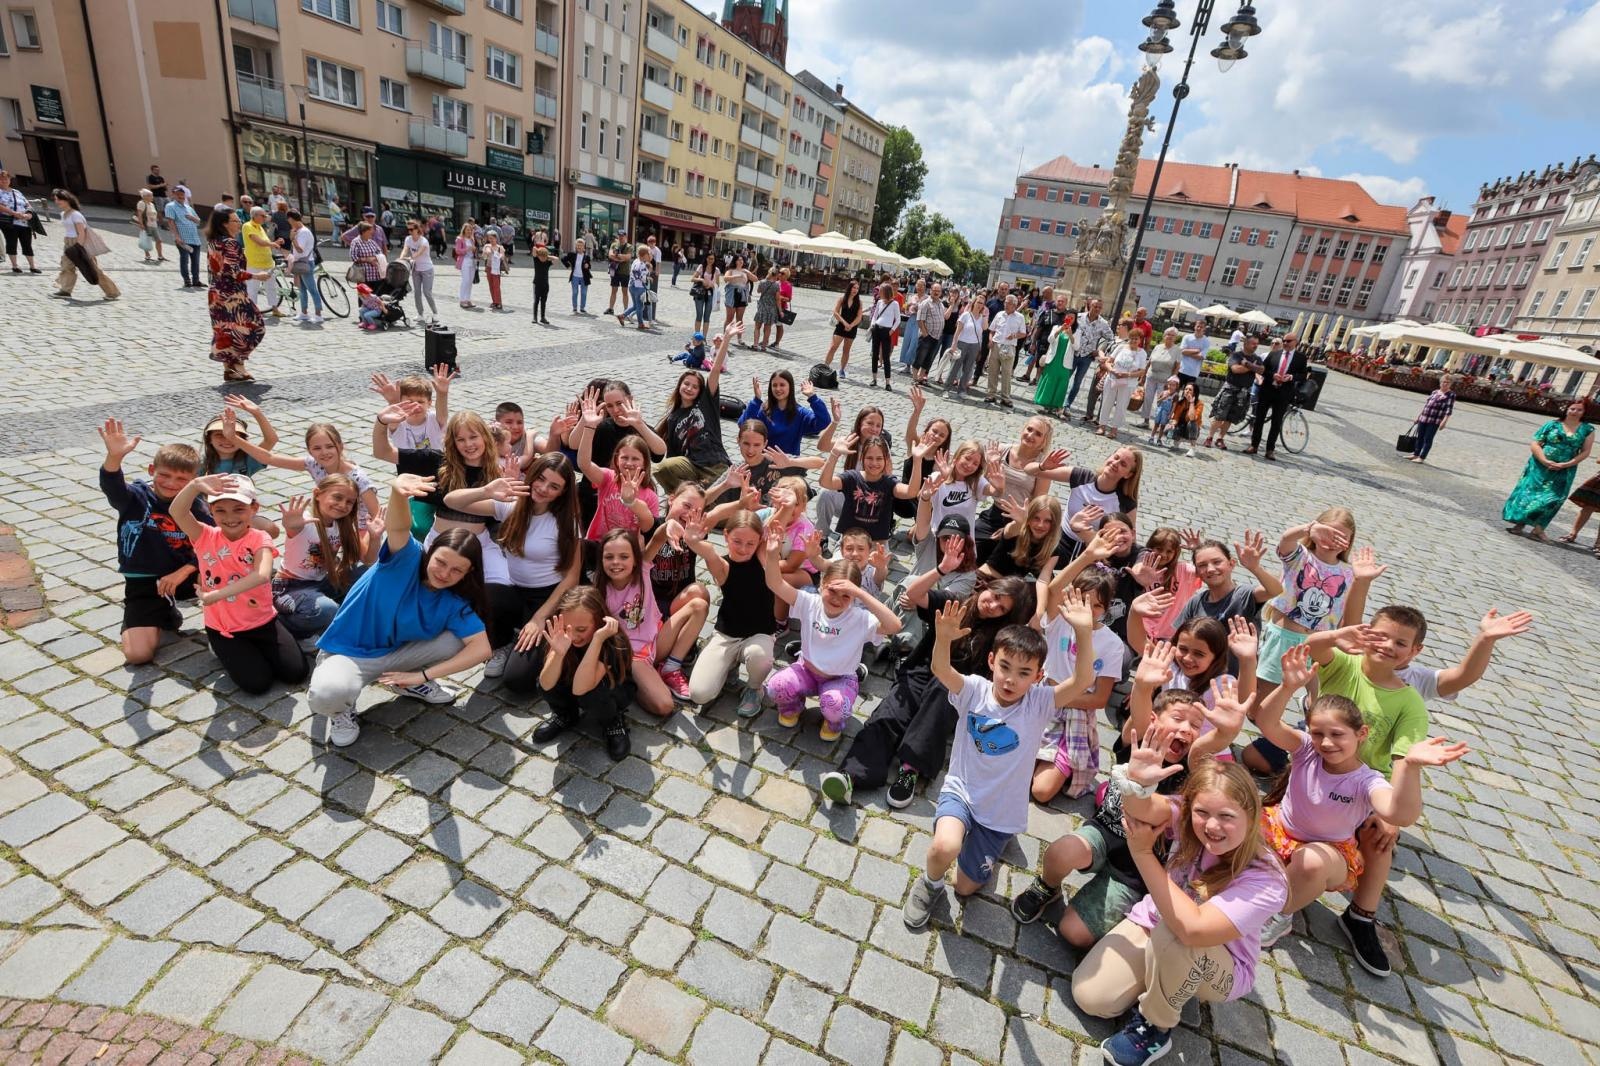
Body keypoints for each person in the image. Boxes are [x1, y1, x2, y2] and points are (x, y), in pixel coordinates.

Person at [1071, 731, 1288, 1066]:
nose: (1212, 826)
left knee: (1177, 935)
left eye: (1227, 816)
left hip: (1220, 963)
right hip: (1157, 923)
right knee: (1090, 996)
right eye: (1202, 812)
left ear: (1251, 816)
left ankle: (1155, 1027)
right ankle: (1165, 977)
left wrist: (1143, 854)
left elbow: (1193, 929)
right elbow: (1145, 810)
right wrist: (1138, 783)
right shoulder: (1188, 818)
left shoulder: (1268, 879)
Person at [1237, 653, 1468, 949]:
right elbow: (1267, 722)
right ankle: (1255, 880)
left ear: (1362, 734)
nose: (1326, 742)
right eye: (1318, 733)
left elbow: (1400, 814)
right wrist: (1287, 687)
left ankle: (1280, 914)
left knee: (1309, 863)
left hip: (1327, 854)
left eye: (1337, 734)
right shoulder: (1307, 749)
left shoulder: (1367, 780)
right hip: (1278, 830)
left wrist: (1411, 768)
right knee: (1231, 817)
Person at [901, 598, 1097, 929]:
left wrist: (1084, 632)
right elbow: (941, 670)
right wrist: (943, 638)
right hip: (961, 792)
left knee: (965, 887)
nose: (1010, 679)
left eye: (1024, 673)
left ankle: (997, 843)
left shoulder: (1039, 702)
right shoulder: (974, 690)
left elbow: (1082, 681)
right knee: (944, 846)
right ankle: (930, 885)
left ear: (1038, 676)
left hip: (1001, 812)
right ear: (992, 661)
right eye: (1005, 667)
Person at [167, 473, 308, 694]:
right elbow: (177, 512)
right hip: (225, 628)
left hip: (263, 621)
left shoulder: (259, 538)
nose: (230, 517)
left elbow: (262, 574)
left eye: (238, 509)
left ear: (254, 508)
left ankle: (250, 651)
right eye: (220, 510)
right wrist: (194, 485)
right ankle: (223, 648)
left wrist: (216, 595)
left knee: (297, 673)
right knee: (258, 684)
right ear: (210, 511)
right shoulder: (204, 535)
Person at [762, 539, 902, 741]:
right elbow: (774, 583)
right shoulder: (809, 602)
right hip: (806, 671)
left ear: (854, 598)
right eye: (832, 591)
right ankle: (793, 706)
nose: (837, 599)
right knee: (776, 687)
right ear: (822, 585)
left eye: (846, 596)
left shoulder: (860, 618)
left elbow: (895, 626)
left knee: (835, 706)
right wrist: (771, 554)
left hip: (840, 679)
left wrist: (861, 594)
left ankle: (833, 722)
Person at [98, 418, 210, 665]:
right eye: (164, 475)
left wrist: (184, 571)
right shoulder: (135, 498)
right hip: (146, 581)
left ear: (194, 479)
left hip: (184, 576)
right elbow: (112, 486)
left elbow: (214, 544)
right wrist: (114, 457)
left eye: (181, 479)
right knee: (138, 655)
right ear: (151, 470)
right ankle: (164, 614)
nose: (171, 484)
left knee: (223, 568)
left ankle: (225, 623)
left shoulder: (196, 506)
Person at [684, 511, 778, 715]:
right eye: (737, 541)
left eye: (750, 543)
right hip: (727, 634)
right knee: (699, 694)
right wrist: (692, 540)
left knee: (760, 657)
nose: (743, 549)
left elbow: (775, 522)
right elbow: (708, 552)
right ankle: (730, 664)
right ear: (726, 536)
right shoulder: (723, 566)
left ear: (760, 541)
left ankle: (754, 689)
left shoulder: (762, 556)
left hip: (760, 633)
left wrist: (787, 504)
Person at [530, 587, 636, 759]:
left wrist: (597, 640)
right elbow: (546, 684)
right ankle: (566, 714)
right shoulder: (561, 636)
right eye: (567, 628)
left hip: (609, 691)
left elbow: (581, 688)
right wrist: (558, 653)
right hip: (577, 684)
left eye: (581, 629)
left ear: (598, 622)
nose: (573, 636)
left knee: (591, 695)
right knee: (544, 680)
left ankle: (613, 722)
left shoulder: (612, 642)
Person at [274, 477, 381, 639]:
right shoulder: (304, 521)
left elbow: (369, 560)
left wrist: (374, 537)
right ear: (317, 494)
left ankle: (343, 617)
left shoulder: (342, 524)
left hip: (322, 582)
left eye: (349, 502)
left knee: (369, 572)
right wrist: (291, 525)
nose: (343, 505)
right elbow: (293, 528)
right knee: (327, 610)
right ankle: (285, 627)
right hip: (290, 588)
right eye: (337, 497)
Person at [654, 332, 731, 493]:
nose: (689, 388)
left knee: (713, 502)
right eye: (686, 384)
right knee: (661, 468)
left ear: (700, 391)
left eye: (695, 387)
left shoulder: (706, 404)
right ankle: (682, 496)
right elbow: (673, 457)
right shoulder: (673, 418)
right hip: (691, 467)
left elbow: (715, 370)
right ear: (679, 386)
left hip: (714, 464)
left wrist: (727, 339)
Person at [202, 207, 265, 382]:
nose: (239, 223)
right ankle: (238, 366)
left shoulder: (213, 241)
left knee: (226, 331)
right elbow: (233, 272)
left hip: (215, 293)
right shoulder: (230, 243)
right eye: (235, 221)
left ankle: (230, 370)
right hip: (232, 294)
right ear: (224, 224)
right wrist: (256, 276)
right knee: (255, 326)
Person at [50, 189, 120, 302]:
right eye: (55, 200)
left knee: (93, 269)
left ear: (67, 200)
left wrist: (78, 247)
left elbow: (82, 232)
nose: (57, 202)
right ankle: (65, 291)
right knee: (67, 266)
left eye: (59, 199)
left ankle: (112, 292)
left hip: (79, 243)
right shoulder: (63, 214)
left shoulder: (76, 215)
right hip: (68, 242)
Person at [1246, 333, 1308, 460]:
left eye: (1288, 341)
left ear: (1296, 342)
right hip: (1267, 390)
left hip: (1284, 393)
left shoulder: (1301, 358)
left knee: (1276, 422)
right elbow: (1263, 369)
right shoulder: (1274, 354)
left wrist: (1291, 377)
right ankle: (1254, 445)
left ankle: (1270, 450)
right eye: (1284, 340)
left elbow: (1303, 375)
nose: (1285, 343)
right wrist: (1272, 375)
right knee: (1259, 419)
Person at [739, 370, 831, 455]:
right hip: (764, 462)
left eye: (782, 385)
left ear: (790, 387)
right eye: (774, 385)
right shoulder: (764, 410)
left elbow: (824, 422)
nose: (778, 388)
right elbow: (743, 425)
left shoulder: (800, 413)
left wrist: (812, 397)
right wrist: (756, 400)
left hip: (789, 464)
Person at [1205, 335, 1261, 448]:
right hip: (1230, 389)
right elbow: (1235, 369)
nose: (1256, 346)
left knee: (1230, 418)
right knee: (1220, 415)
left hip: (1243, 392)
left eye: (1257, 344)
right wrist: (1252, 367)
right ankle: (1209, 437)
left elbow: (1261, 370)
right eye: (1253, 343)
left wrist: (1247, 364)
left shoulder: (1257, 358)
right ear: (1246, 344)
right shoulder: (1236, 355)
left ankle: (1220, 439)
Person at [1097, 328, 1149, 440]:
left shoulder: (1142, 353)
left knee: (1121, 406)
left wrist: (1128, 374)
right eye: (1132, 338)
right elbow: (1108, 361)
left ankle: (1114, 429)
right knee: (1106, 402)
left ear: (1140, 340)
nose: (1133, 341)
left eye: (1136, 339)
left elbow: (1142, 371)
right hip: (1112, 379)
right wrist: (1112, 370)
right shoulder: (1121, 347)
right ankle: (1102, 426)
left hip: (1128, 383)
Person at [1067, 298, 1113, 413]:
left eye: (1099, 307)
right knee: (1065, 379)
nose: (1097, 309)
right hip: (1072, 353)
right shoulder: (1079, 317)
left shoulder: (1103, 323)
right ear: (1089, 306)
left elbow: (1111, 339)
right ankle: (1058, 402)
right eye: (1095, 306)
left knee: (1077, 383)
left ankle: (1067, 405)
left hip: (1087, 357)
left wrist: (1099, 350)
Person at [984, 295, 1029, 408]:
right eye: (1005, 302)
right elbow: (992, 330)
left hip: (1009, 347)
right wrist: (990, 340)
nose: (1005, 305)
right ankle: (991, 394)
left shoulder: (1020, 317)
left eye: (1008, 303)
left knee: (1006, 373)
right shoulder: (999, 314)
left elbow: (1023, 333)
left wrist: (1014, 335)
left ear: (1014, 305)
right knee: (992, 371)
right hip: (996, 345)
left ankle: (1005, 397)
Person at [241, 206, 283, 316]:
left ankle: (274, 309)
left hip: (267, 262)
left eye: (265, 216)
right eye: (262, 216)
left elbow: (266, 244)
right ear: (255, 216)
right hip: (254, 263)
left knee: (271, 287)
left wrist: (276, 242)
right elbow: (258, 242)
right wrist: (272, 244)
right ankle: (251, 312)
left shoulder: (260, 227)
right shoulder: (247, 226)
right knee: (253, 288)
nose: (265, 218)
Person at [1408, 374, 1457, 463]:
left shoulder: (1451, 395)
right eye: (1443, 382)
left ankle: (1422, 457)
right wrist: (1418, 417)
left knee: (1428, 439)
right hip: (1424, 418)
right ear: (1440, 382)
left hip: (1434, 421)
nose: (1445, 384)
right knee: (1420, 437)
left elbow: (1449, 410)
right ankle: (1416, 454)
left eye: (1447, 382)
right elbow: (1426, 406)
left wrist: (1444, 422)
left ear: (1450, 384)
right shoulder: (1435, 392)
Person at [0, 170, 40, 273]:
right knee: (11, 243)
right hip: (9, 222)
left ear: (10, 180)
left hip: (24, 222)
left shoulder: (16, 192)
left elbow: (27, 204)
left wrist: (29, 214)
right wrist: (14, 213)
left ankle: (32, 266)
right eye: (1, 179)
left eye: (6, 179)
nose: (4, 181)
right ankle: (15, 266)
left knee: (27, 244)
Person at [164, 186, 204, 288]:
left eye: (182, 194)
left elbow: (199, 221)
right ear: (173, 195)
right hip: (183, 239)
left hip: (195, 238)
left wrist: (192, 217)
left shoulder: (188, 207)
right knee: (184, 260)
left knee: (196, 261)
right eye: (178, 194)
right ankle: (187, 280)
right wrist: (176, 236)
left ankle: (196, 280)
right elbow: (171, 222)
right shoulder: (170, 206)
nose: (181, 196)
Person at [400, 219, 437, 326]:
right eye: (408, 229)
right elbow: (405, 249)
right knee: (417, 292)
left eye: (411, 229)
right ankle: (420, 314)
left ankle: (435, 313)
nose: (409, 231)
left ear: (417, 229)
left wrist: (410, 258)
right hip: (416, 269)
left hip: (427, 269)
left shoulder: (423, 241)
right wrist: (401, 258)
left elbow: (419, 253)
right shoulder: (408, 239)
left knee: (427, 292)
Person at [866, 282, 902, 390]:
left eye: (881, 291)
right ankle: (874, 378)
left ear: (885, 292)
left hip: (886, 331)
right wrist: (873, 325)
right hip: (877, 328)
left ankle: (887, 382)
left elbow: (898, 319)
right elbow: (875, 315)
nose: (879, 293)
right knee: (875, 354)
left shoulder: (894, 304)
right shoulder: (879, 302)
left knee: (886, 357)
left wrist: (891, 331)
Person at [824, 280, 865, 378]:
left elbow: (859, 317)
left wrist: (851, 325)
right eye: (854, 288)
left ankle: (842, 370)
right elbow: (836, 312)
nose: (855, 290)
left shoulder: (859, 302)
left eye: (857, 288)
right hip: (841, 326)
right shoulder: (842, 299)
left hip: (852, 328)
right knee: (833, 347)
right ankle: (825, 367)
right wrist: (844, 323)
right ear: (849, 288)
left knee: (846, 350)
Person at [1141, 328, 1181, 426]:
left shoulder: (1177, 350)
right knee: (1147, 399)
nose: (1170, 337)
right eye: (1168, 334)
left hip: (1165, 380)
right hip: (1151, 376)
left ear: (1175, 338)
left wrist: (1172, 381)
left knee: (1162, 401)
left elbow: (1177, 367)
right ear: (1164, 336)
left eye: (1173, 335)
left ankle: (1158, 423)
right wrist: (1143, 376)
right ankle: (1145, 421)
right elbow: (1149, 362)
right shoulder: (1158, 347)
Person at [617, 244, 654, 332]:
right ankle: (640, 324)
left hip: (631, 286)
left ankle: (622, 316)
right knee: (640, 306)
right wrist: (648, 278)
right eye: (648, 254)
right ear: (644, 255)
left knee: (635, 305)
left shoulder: (635, 261)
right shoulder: (642, 264)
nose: (649, 255)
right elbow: (640, 276)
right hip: (639, 287)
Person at [752, 266, 781, 351]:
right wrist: (780, 311)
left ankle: (755, 345)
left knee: (757, 327)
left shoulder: (762, 282)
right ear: (776, 275)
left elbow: (758, 291)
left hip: (761, 308)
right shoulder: (776, 285)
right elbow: (778, 299)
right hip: (771, 309)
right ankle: (764, 346)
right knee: (767, 328)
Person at [689, 252, 719, 333]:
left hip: (710, 294)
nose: (710, 260)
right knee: (699, 314)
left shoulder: (716, 270)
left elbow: (718, 284)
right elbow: (692, 278)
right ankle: (697, 335)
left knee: (707, 316)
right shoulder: (701, 267)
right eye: (709, 258)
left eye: (712, 259)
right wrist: (701, 280)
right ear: (706, 258)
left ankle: (704, 337)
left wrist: (712, 285)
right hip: (700, 293)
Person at [1177, 322, 1208, 391]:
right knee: (1175, 392)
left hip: (1193, 373)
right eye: (1198, 326)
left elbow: (1201, 356)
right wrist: (1196, 350)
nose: (1199, 328)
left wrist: (1187, 352)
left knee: (1188, 394)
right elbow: (1182, 351)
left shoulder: (1206, 341)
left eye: (1201, 327)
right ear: (1194, 327)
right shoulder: (1187, 337)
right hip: (1181, 370)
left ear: (1204, 329)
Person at [455, 221, 478, 309]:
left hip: (472, 261)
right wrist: (467, 249)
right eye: (467, 230)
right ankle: (462, 300)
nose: (469, 231)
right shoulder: (460, 239)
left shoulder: (472, 239)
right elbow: (458, 251)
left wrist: (474, 250)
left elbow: (473, 250)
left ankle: (468, 299)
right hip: (464, 261)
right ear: (464, 230)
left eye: (470, 230)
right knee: (465, 280)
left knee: (470, 281)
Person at [482, 230, 506, 311]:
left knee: (496, 286)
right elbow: (484, 257)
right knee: (491, 285)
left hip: (496, 269)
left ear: (496, 238)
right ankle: (494, 302)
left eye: (492, 238)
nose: (491, 240)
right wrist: (486, 253)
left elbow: (503, 257)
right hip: (489, 268)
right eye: (489, 238)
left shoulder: (500, 247)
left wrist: (498, 255)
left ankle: (499, 302)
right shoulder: (487, 246)